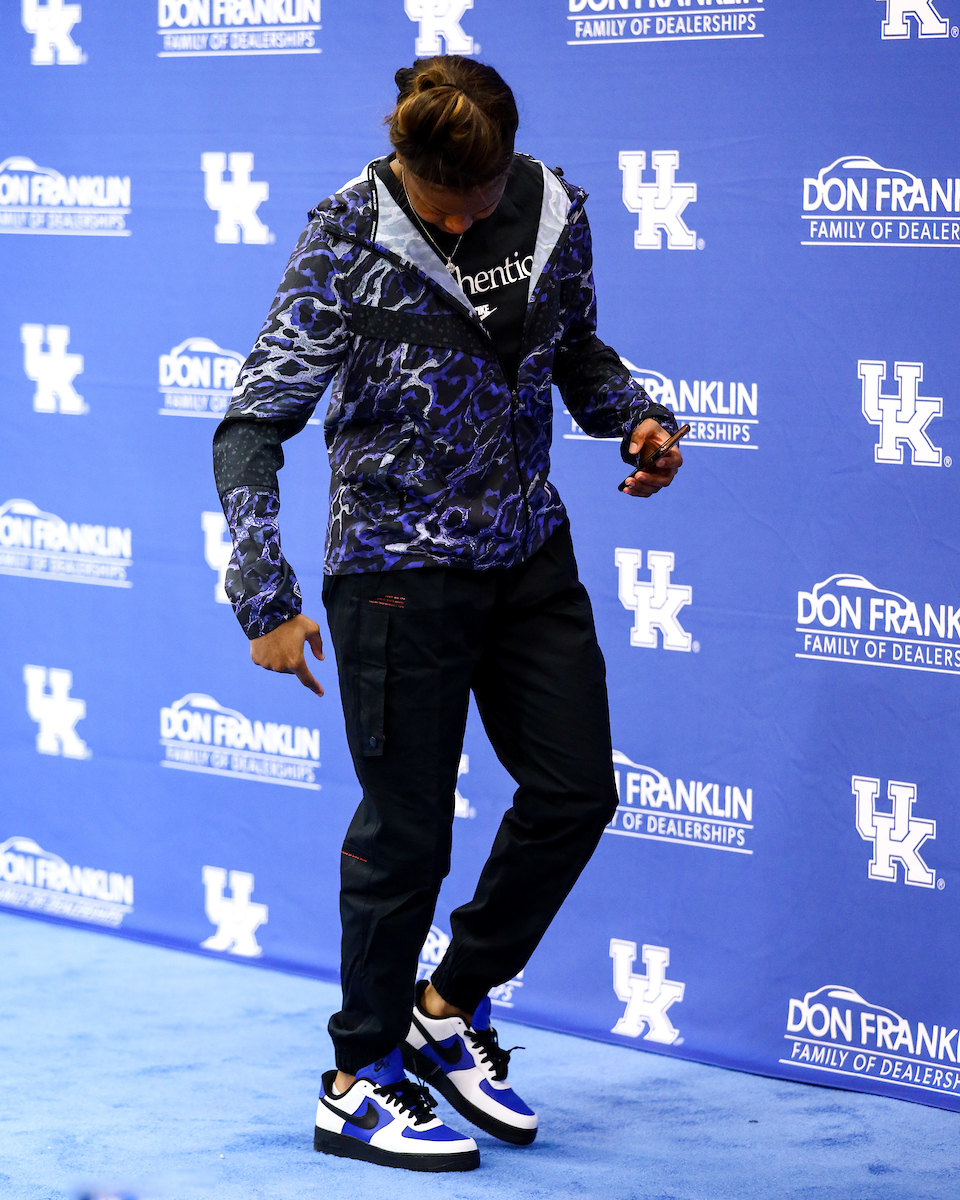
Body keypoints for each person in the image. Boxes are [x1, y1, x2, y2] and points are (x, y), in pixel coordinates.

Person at [213, 54, 683, 1174]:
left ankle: (449, 1001)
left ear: (511, 160)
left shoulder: (554, 210)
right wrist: (264, 597)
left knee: (577, 792)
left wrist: (635, 418)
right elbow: (251, 423)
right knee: (406, 833)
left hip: (529, 556)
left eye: (480, 197)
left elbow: (573, 348)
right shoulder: (344, 236)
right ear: (405, 170)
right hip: (393, 573)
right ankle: (358, 1079)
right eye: (441, 203)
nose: (465, 219)